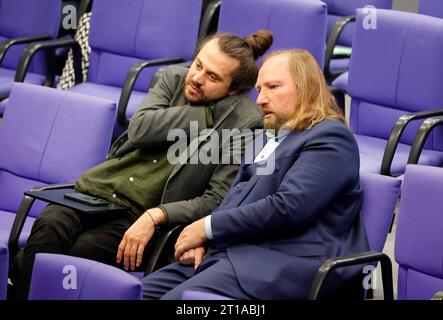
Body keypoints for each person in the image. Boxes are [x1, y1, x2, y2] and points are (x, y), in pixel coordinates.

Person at [11, 30, 274, 299]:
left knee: (74, 254)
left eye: (212, 77)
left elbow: (216, 198)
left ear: (234, 90)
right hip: (96, 192)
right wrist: (204, 114)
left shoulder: (245, 123)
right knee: (48, 229)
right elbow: (140, 129)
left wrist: (157, 214)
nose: (196, 78)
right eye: (198, 65)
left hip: (141, 215)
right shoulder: (172, 78)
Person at [141, 49, 370, 300]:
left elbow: (289, 207)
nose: (261, 99)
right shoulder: (267, 136)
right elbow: (234, 198)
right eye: (260, 90)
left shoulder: (330, 137)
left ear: (306, 88)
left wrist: (208, 228)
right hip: (233, 253)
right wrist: (205, 241)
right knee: (136, 294)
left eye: (273, 87)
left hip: (284, 264)